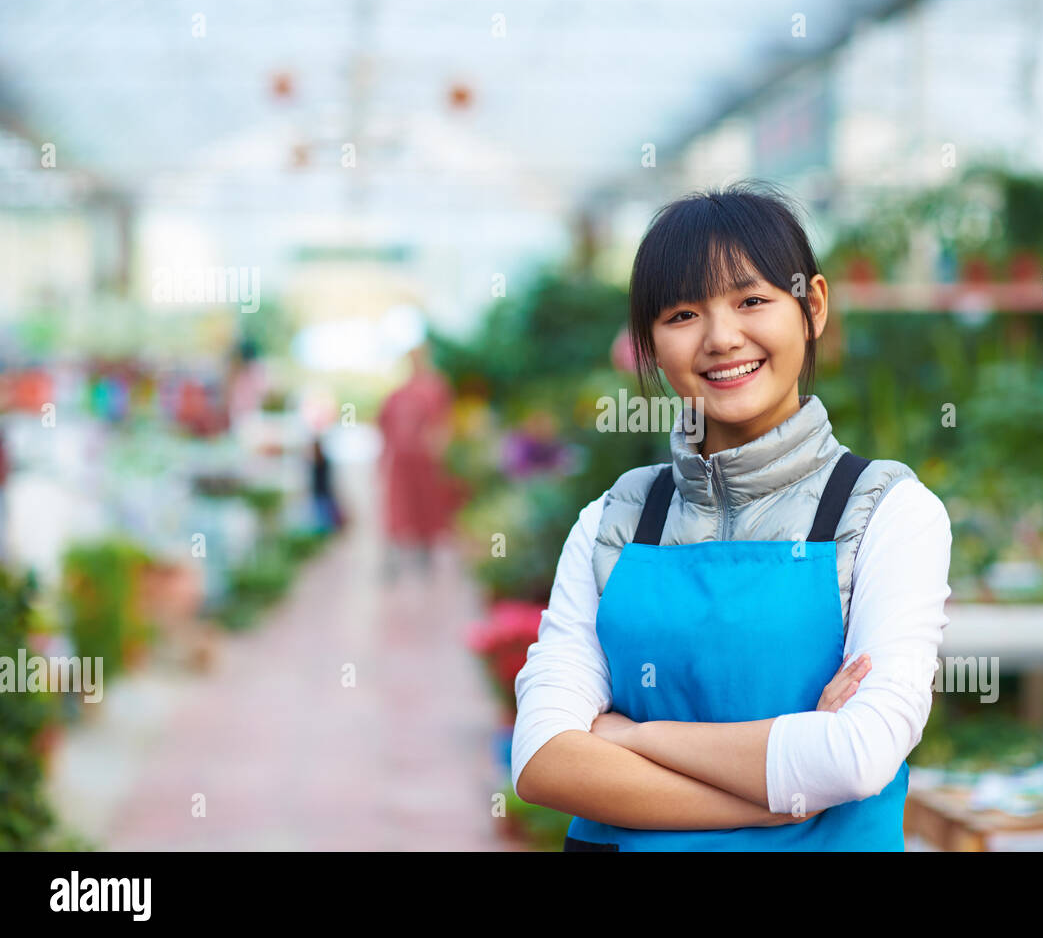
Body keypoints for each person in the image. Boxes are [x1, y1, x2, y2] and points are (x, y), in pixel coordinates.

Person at [510, 182, 953, 850]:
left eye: (752, 300)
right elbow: (542, 759)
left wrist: (632, 735)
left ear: (813, 307)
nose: (722, 337)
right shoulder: (614, 521)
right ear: (651, 344)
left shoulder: (886, 513)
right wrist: (779, 803)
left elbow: (858, 752)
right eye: (683, 315)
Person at [376, 340, 454, 577]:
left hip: (426, 462)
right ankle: (393, 561)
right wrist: (384, 456)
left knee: (427, 508)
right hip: (401, 460)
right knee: (398, 509)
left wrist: (438, 448)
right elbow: (385, 425)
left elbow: (443, 422)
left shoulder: (436, 387)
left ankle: (426, 556)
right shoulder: (399, 393)